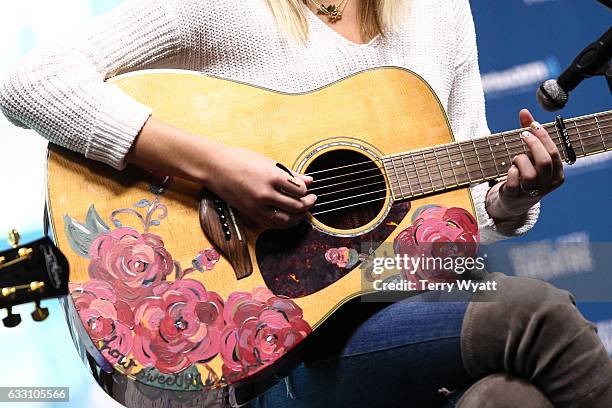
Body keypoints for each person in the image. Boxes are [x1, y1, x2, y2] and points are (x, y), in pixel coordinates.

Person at [0, 1, 610, 407]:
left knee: (506, 402)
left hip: (394, 307)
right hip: (269, 356)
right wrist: (217, 167)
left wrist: (509, 199)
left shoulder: (438, 10)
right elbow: (30, 83)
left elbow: (452, 208)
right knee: (532, 312)